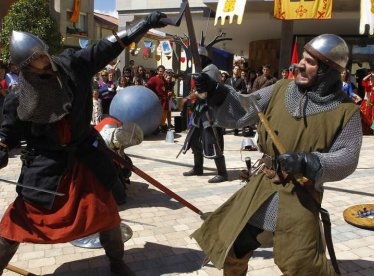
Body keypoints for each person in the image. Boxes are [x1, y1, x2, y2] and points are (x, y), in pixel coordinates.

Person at [0, 11, 167, 276]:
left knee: (106, 212)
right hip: (46, 164)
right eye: (34, 59)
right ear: (25, 67)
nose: (42, 59)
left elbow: (107, 47)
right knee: (19, 219)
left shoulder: (73, 65)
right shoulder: (20, 98)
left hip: (85, 154)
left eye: (41, 53)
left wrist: (144, 24)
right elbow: (7, 137)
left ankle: (117, 264)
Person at [191, 34, 362, 275]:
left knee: (302, 264)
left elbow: (347, 157)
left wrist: (309, 161)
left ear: (329, 71)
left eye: (311, 62)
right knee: (232, 245)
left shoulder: (346, 111)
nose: (301, 64)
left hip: (301, 192)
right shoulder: (281, 89)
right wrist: (217, 92)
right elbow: (243, 108)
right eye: (303, 58)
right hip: (263, 185)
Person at [181, 44, 228, 183]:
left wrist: (189, 97)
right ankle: (198, 167)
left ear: (202, 57)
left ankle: (222, 173)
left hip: (210, 111)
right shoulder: (203, 70)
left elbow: (204, 93)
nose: (196, 62)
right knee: (194, 139)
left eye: (197, 59)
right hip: (200, 111)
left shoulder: (211, 70)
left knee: (213, 141)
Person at [147, 65, 169, 133]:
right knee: (157, 114)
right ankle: (155, 127)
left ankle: (162, 126)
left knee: (164, 113)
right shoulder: (153, 79)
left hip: (164, 99)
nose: (161, 73)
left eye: (162, 71)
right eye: (160, 71)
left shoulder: (164, 79)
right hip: (157, 100)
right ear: (157, 71)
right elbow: (148, 86)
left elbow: (165, 88)